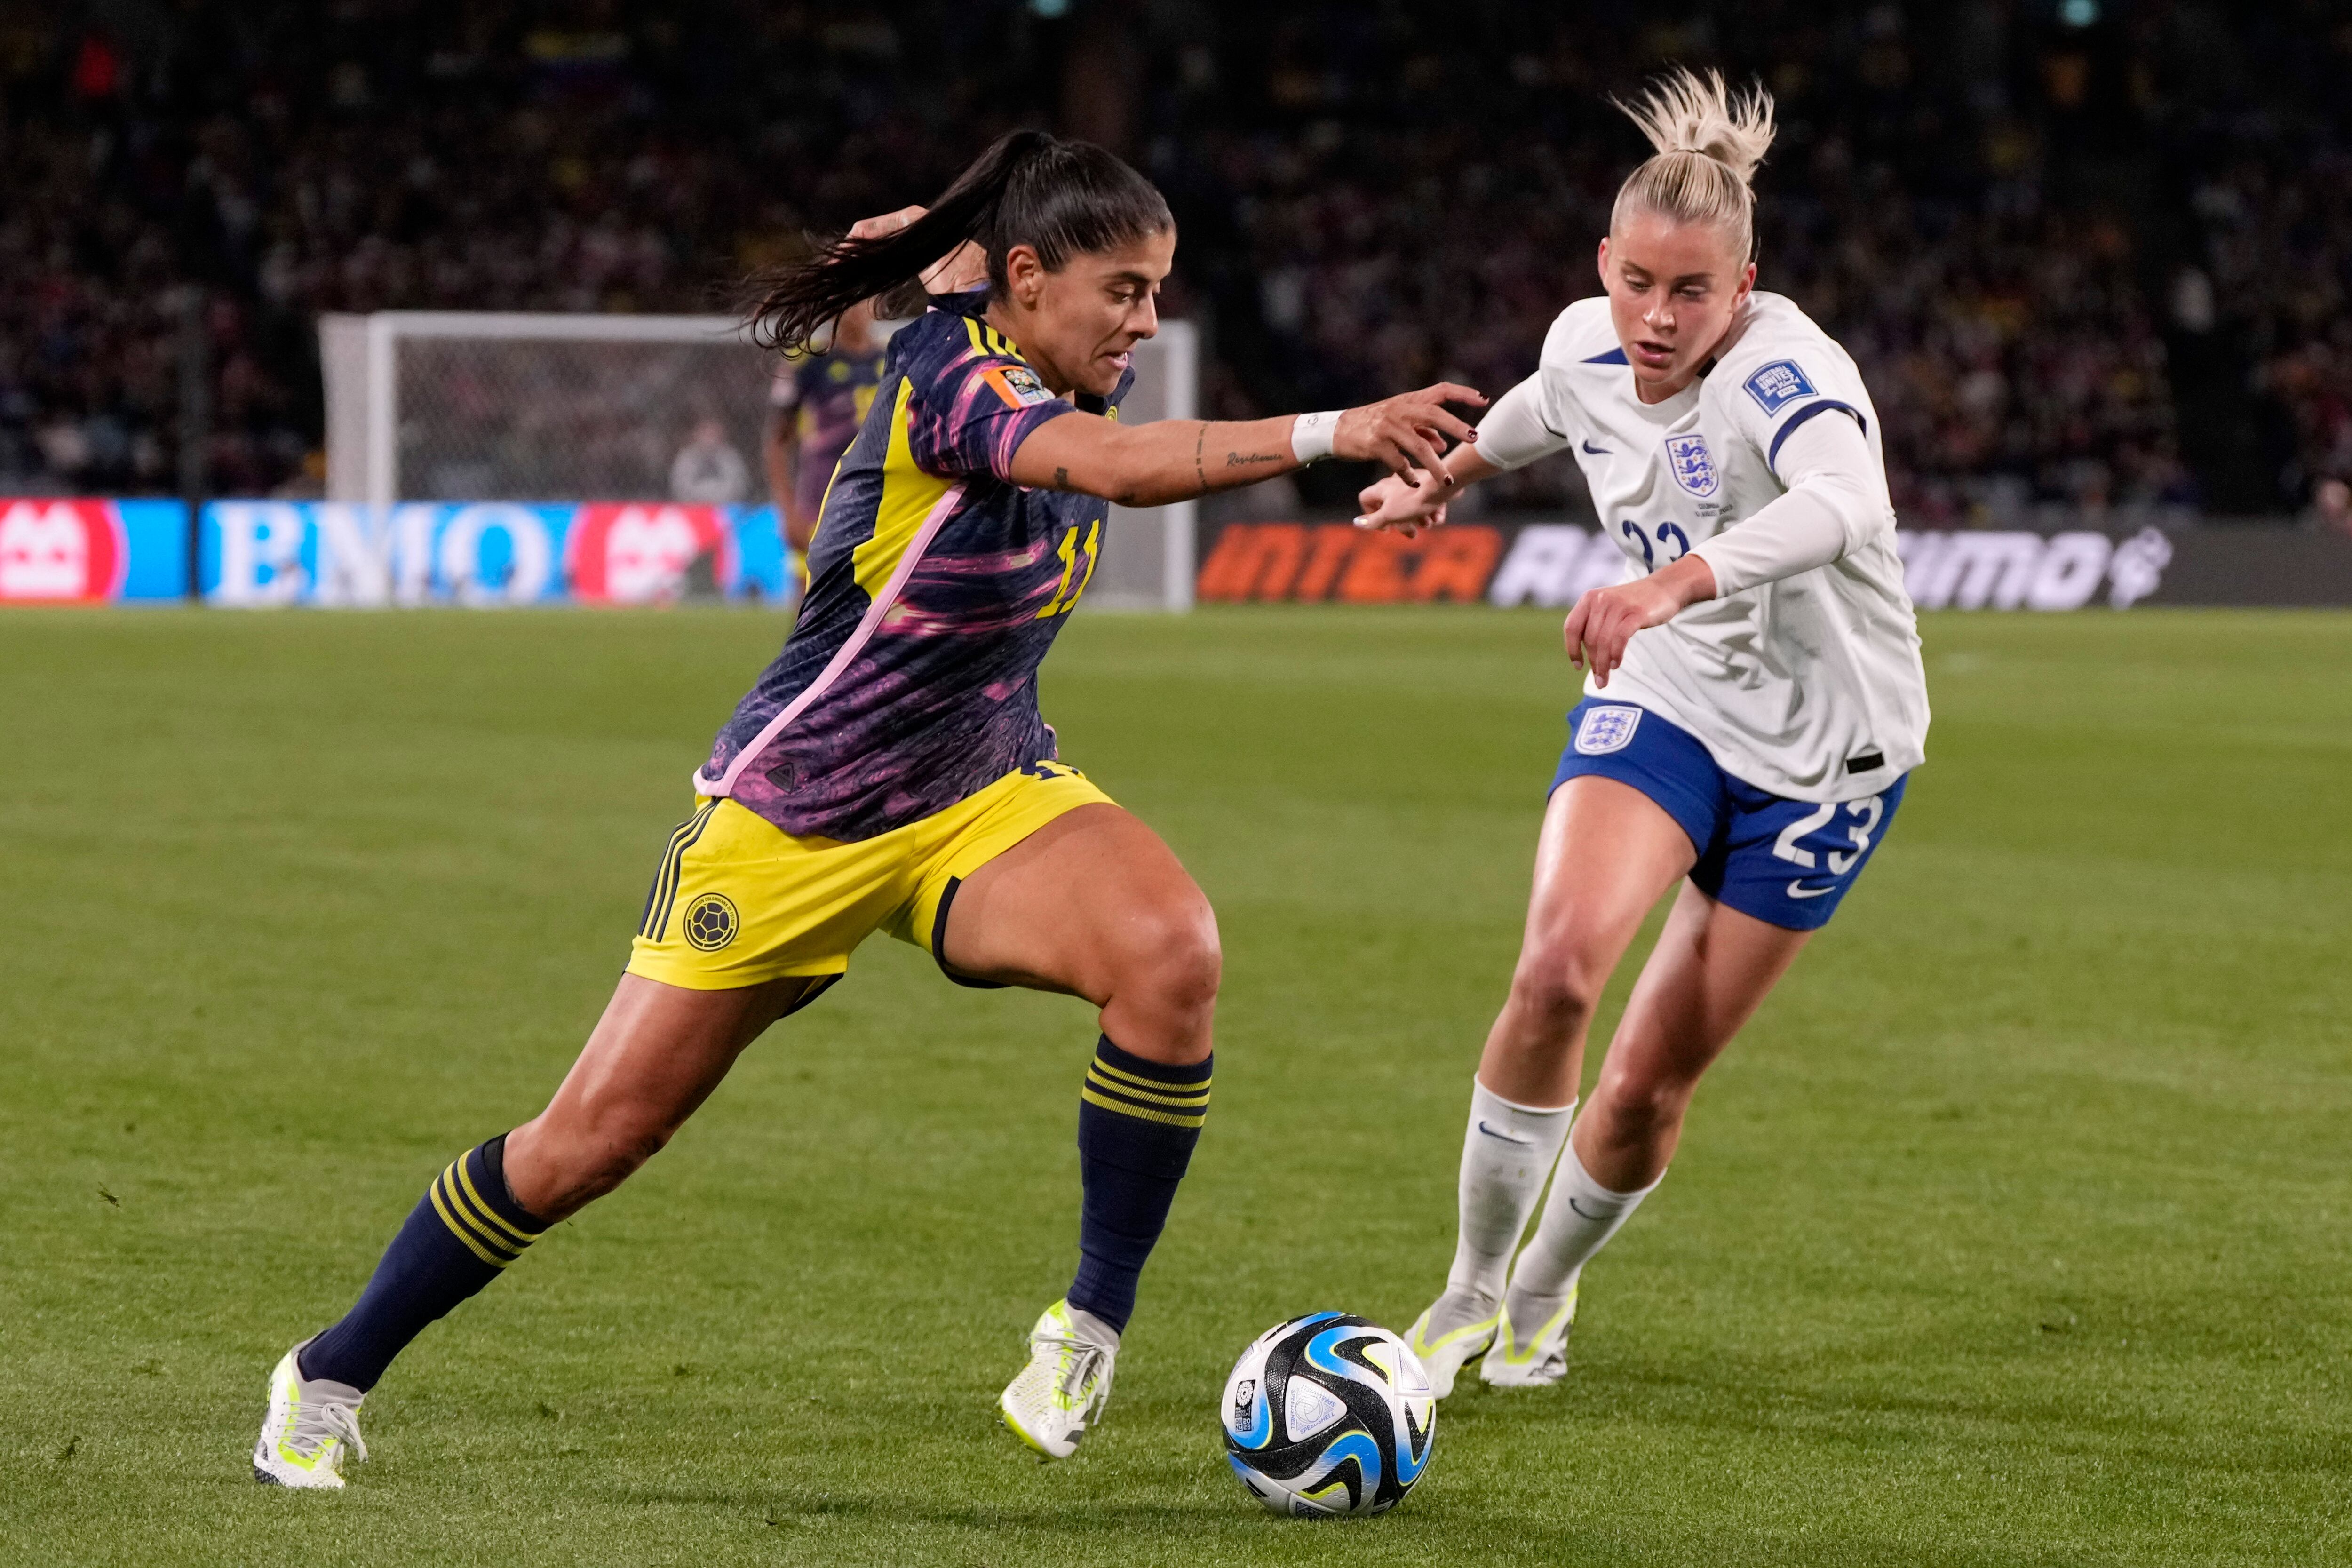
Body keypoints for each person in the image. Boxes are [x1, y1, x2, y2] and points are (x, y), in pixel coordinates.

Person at [252, 127, 1483, 1487]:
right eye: (1124, 289)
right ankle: (329, 1369)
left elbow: (938, 238)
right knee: (589, 1144)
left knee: (1170, 950)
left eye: (1158, 286)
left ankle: (1086, 1326)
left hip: (981, 792)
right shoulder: (959, 381)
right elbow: (1125, 469)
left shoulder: (991, 306)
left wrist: (915, 244)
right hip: (796, 820)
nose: (1149, 317)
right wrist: (1340, 427)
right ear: (1030, 277)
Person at [1354, 69, 1929, 1397]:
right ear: (1603, 265)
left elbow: (1841, 504)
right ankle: (1468, 1287)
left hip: (1829, 755)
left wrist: (1670, 579)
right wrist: (1440, 481)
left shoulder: (1795, 370)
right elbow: (1533, 414)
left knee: (1642, 1086)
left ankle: (1546, 1287)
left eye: (1689, 291)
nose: (1656, 317)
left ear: (1743, 286)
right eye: (1635, 281)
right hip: (1668, 696)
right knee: (1556, 971)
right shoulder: (1583, 344)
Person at [762, 297, 889, 593]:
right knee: (808, 608)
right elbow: (777, 441)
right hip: (819, 503)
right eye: (848, 298)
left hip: (880, 502)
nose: (854, 307)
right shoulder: (806, 361)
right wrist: (787, 510)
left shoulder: (895, 359)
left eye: (864, 297)